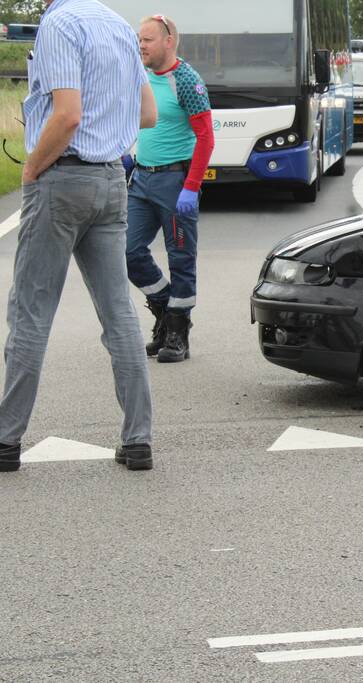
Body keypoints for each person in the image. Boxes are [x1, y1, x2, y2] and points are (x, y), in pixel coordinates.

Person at [0, 0, 158, 473]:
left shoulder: (58, 25)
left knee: (31, 310)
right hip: (111, 181)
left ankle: (6, 441)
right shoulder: (118, 25)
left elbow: (67, 116)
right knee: (118, 315)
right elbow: (147, 113)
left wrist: (31, 168)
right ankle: (138, 441)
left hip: (62, 178)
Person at [126, 14, 214, 363]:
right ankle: (165, 313)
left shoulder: (187, 81)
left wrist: (191, 188)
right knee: (127, 251)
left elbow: (205, 138)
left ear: (168, 41)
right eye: (139, 39)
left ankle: (178, 334)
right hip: (142, 180)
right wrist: (128, 155)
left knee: (180, 259)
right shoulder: (142, 76)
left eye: (147, 40)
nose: (141, 45)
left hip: (175, 182)